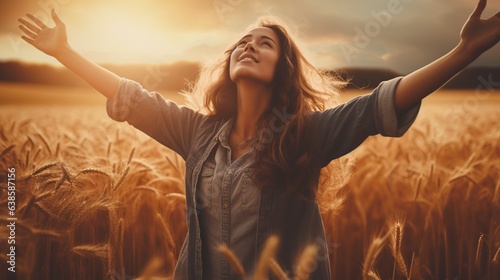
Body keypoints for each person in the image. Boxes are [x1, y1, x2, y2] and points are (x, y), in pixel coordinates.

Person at [18, 1, 499, 279]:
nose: (249, 45)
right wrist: (64, 51)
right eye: (242, 42)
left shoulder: (307, 135)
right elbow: (132, 97)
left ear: (282, 68)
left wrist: (464, 52)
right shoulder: (198, 132)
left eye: (264, 43)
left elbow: (381, 104)